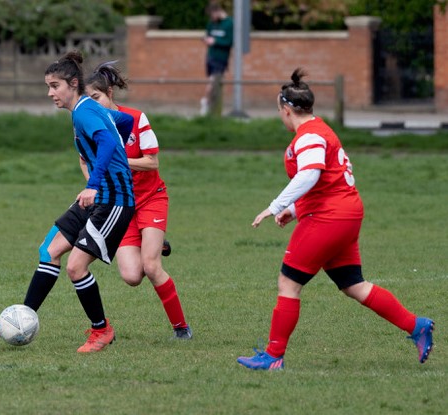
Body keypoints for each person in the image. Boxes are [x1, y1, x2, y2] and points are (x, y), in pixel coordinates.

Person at [237, 68, 434, 371]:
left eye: (280, 110)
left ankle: (273, 356)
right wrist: (296, 210)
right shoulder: (319, 129)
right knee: (353, 284)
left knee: (288, 283)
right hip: (343, 213)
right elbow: (327, 181)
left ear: (286, 109)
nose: (280, 115)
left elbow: (311, 174)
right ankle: (416, 325)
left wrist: (277, 205)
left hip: (329, 218)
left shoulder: (310, 136)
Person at [0, 50, 135, 353]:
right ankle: (20, 318)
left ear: (73, 83)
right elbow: (124, 121)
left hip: (113, 200)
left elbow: (107, 139)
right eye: (48, 86)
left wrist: (96, 181)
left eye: (55, 86)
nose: (50, 93)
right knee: (50, 250)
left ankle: (101, 331)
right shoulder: (90, 108)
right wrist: (105, 161)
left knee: (76, 268)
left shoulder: (83, 111)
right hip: (98, 197)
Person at [85, 62, 192, 339]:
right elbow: (85, 160)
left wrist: (117, 161)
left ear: (109, 92)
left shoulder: (136, 119)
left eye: (96, 98)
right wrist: (93, 186)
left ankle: (181, 328)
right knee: (132, 276)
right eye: (88, 101)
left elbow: (152, 162)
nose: (94, 105)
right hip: (121, 205)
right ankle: (153, 243)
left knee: (152, 266)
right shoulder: (90, 125)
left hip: (150, 199)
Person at [200, 2, 233, 116]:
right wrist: (206, 39)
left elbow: (229, 41)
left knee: (214, 81)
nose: (211, 18)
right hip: (211, 56)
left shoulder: (229, 23)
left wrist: (215, 41)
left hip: (221, 57)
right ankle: (212, 108)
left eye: (212, 15)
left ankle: (205, 102)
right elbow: (208, 35)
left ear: (217, 11)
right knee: (212, 81)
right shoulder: (211, 24)